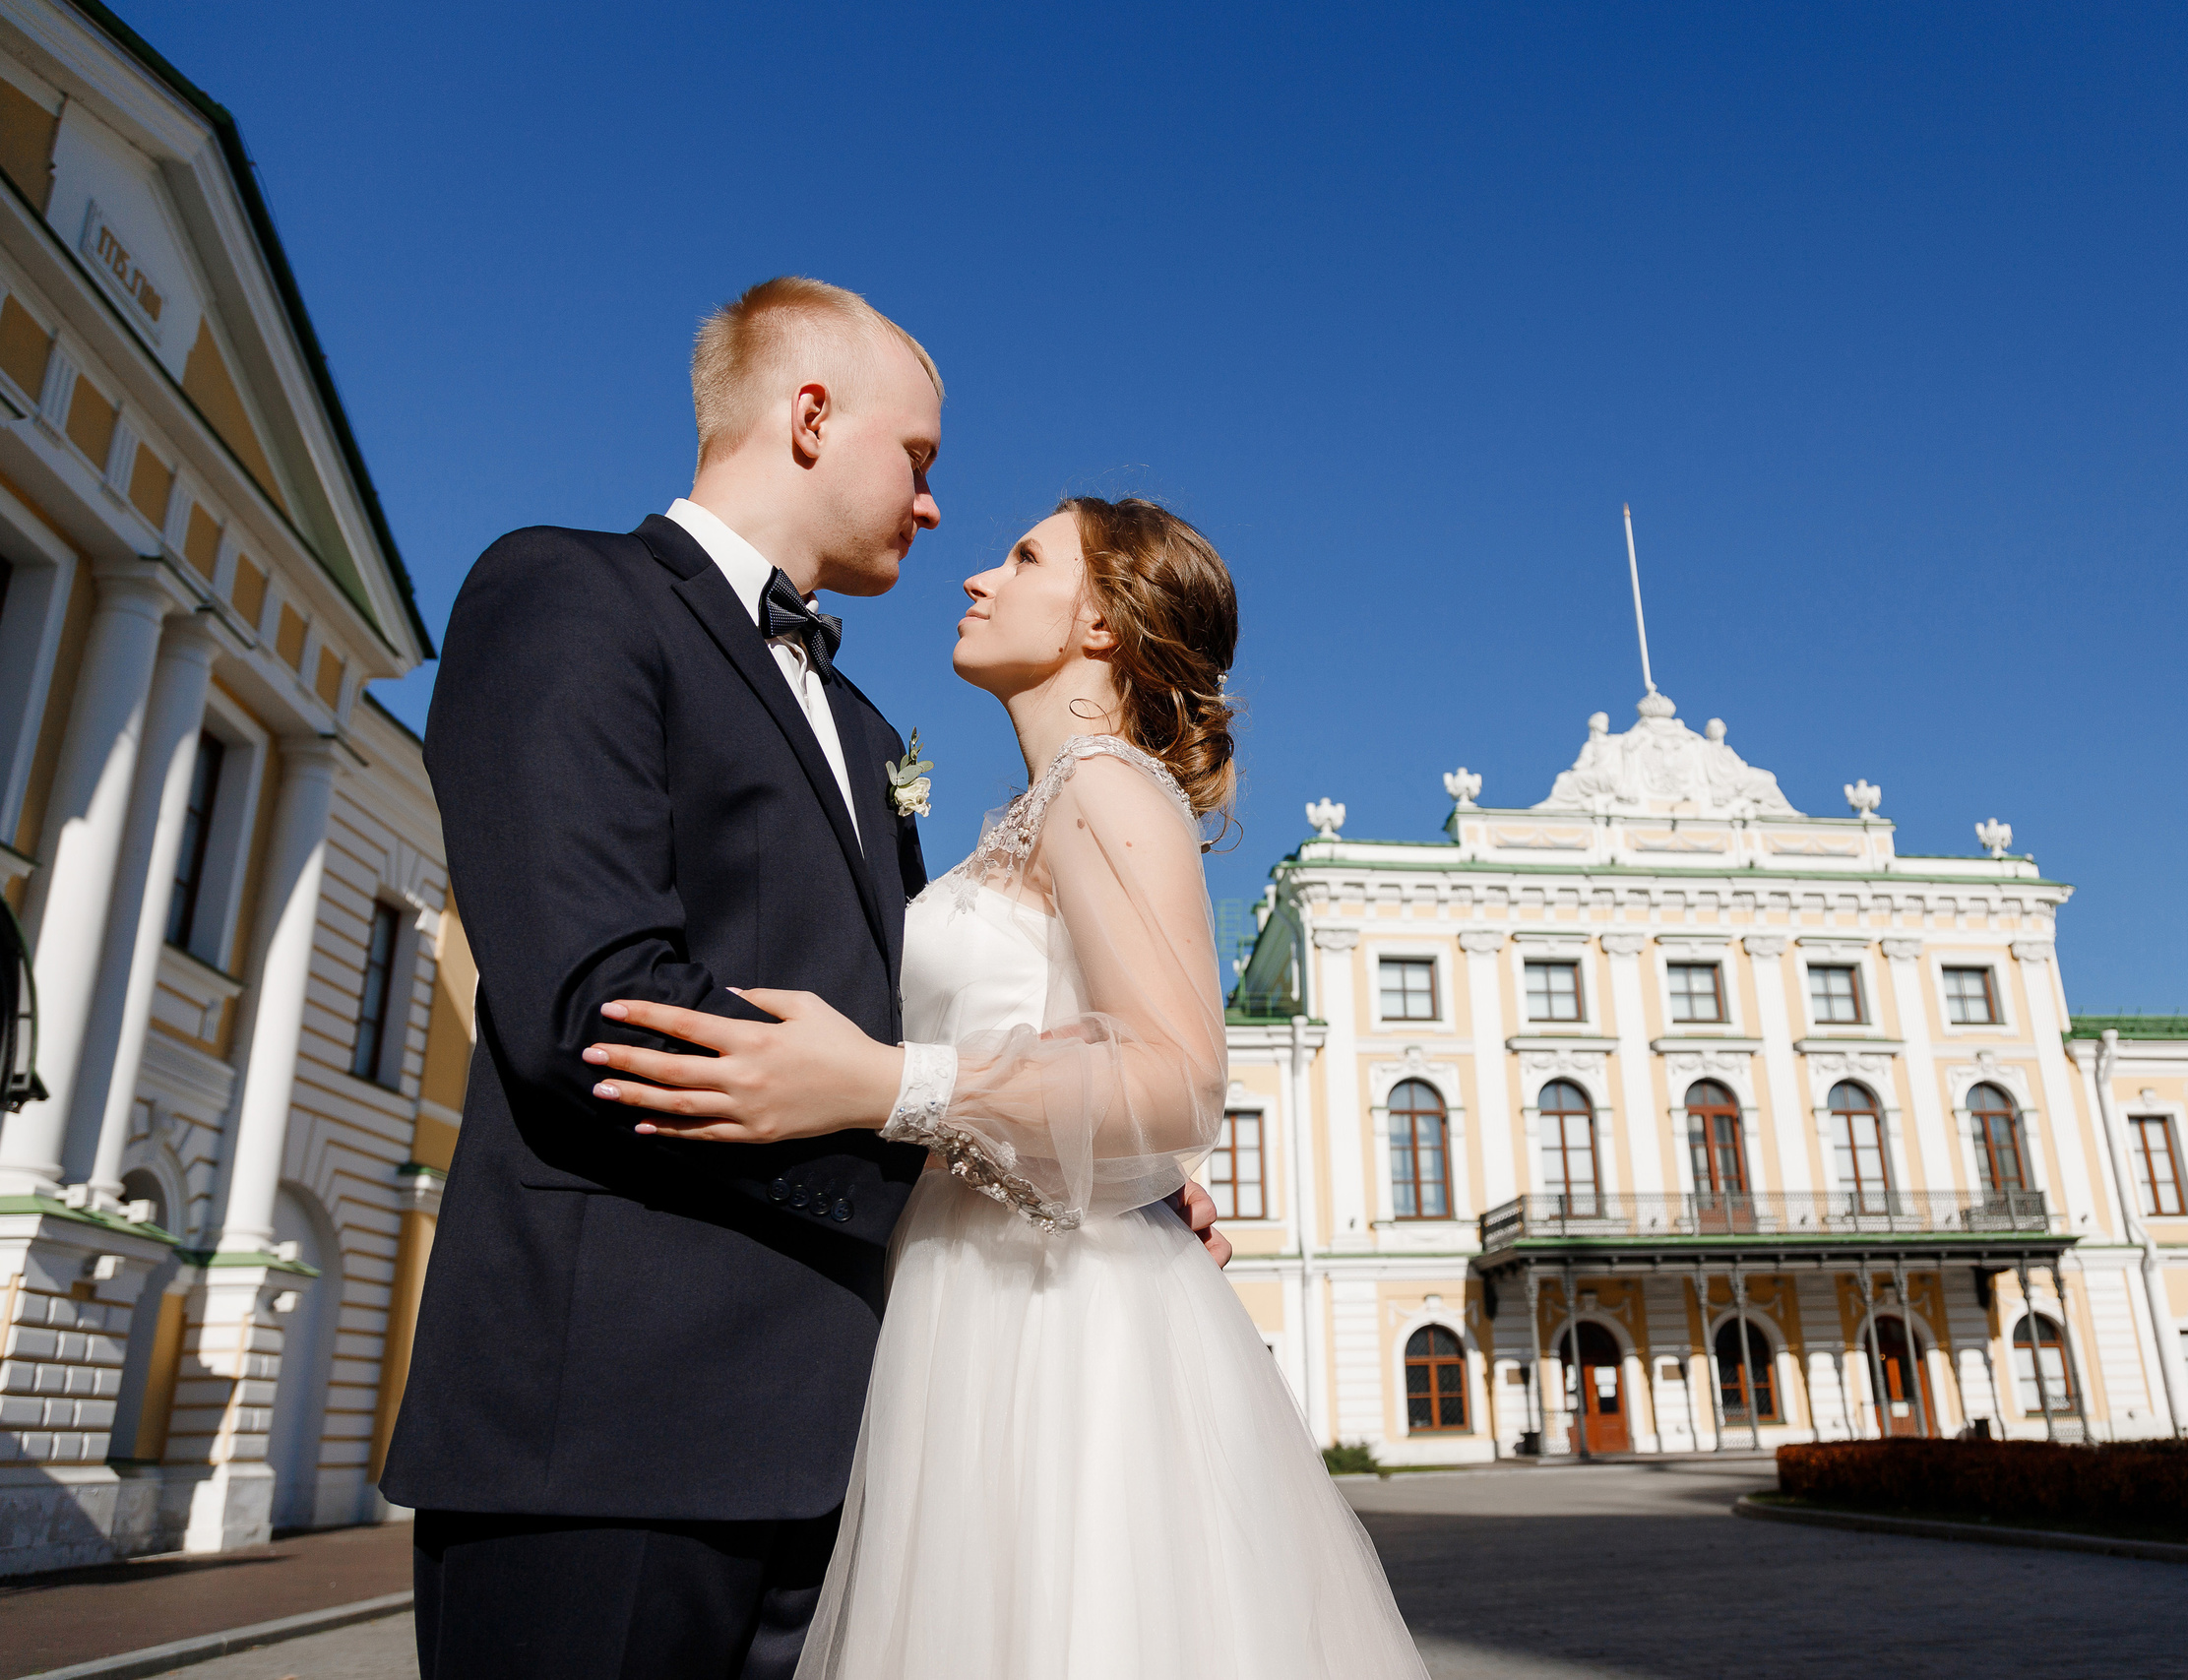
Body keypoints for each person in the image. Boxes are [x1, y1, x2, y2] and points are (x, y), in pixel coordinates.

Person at [382, 278, 1228, 1680]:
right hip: (608, 1430)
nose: (940, 509)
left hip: (852, 1453)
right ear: (813, 413)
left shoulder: (865, 720)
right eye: (923, 459)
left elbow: (895, 1021)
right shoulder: (566, 590)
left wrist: (1093, 1143)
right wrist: (972, 1142)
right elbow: (596, 1008)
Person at [587, 498, 1430, 1678]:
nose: (977, 575)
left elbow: (1179, 1081)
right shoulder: (1021, 819)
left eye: (1024, 556)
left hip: (1054, 1316)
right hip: (965, 1274)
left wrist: (886, 1081)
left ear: (1101, 617)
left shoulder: (1106, 786)